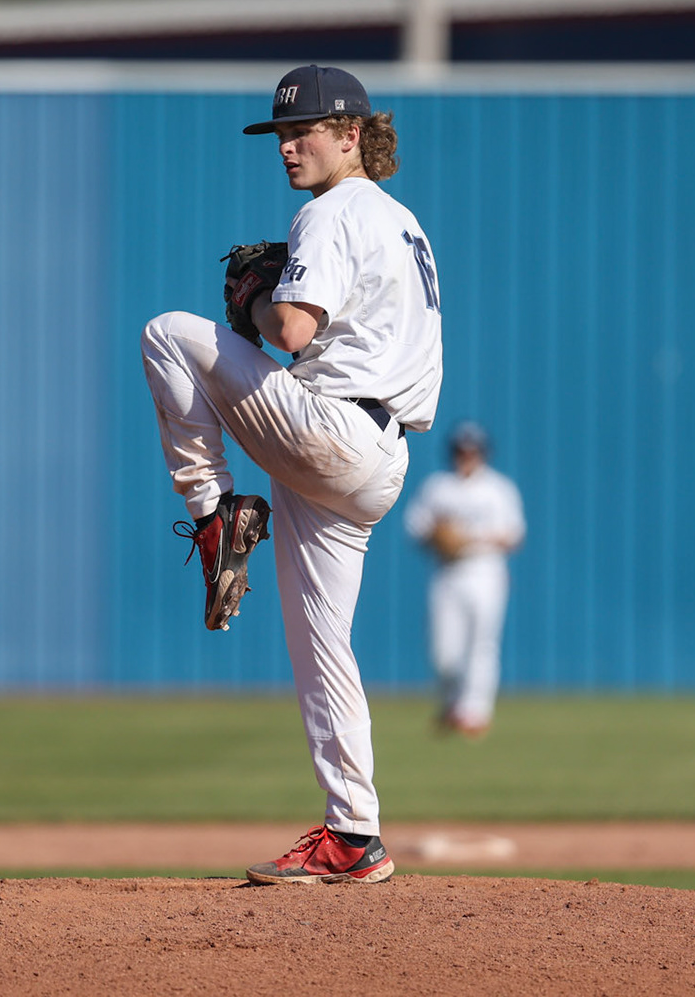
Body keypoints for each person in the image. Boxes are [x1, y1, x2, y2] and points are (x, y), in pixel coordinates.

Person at [140, 64, 443, 885]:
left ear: (352, 134)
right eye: (280, 134)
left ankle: (212, 514)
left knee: (169, 332)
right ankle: (354, 835)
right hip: (371, 456)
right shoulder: (402, 220)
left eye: (303, 130)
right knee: (322, 644)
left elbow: (292, 329)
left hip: (334, 429)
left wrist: (254, 304)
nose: (288, 146)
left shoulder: (330, 211)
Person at [403, 421, 525, 738]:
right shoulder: (439, 487)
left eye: (473, 451)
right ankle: (453, 703)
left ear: (483, 453)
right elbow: (416, 527)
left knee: (482, 644)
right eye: (461, 450)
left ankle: (475, 713)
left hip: (485, 570)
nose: (466, 456)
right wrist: (439, 537)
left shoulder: (498, 489)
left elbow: (514, 535)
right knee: (444, 650)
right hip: (447, 571)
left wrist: (468, 538)